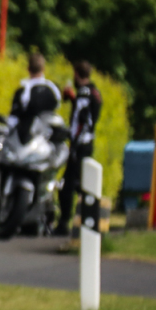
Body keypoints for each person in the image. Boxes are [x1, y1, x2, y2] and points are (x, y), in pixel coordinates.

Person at [57, 60, 103, 235]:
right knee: (80, 184)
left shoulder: (84, 92)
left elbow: (83, 119)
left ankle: (64, 224)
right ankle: (83, 221)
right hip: (87, 143)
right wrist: (73, 98)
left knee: (67, 186)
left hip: (80, 144)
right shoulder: (94, 91)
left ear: (76, 74)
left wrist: (73, 141)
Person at [8, 52, 62, 144]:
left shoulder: (24, 90)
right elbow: (57, 105)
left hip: (27, 138)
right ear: (43, 69)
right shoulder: (53, 88)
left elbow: (13, 118)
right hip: (48, 138)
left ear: (28, 69)